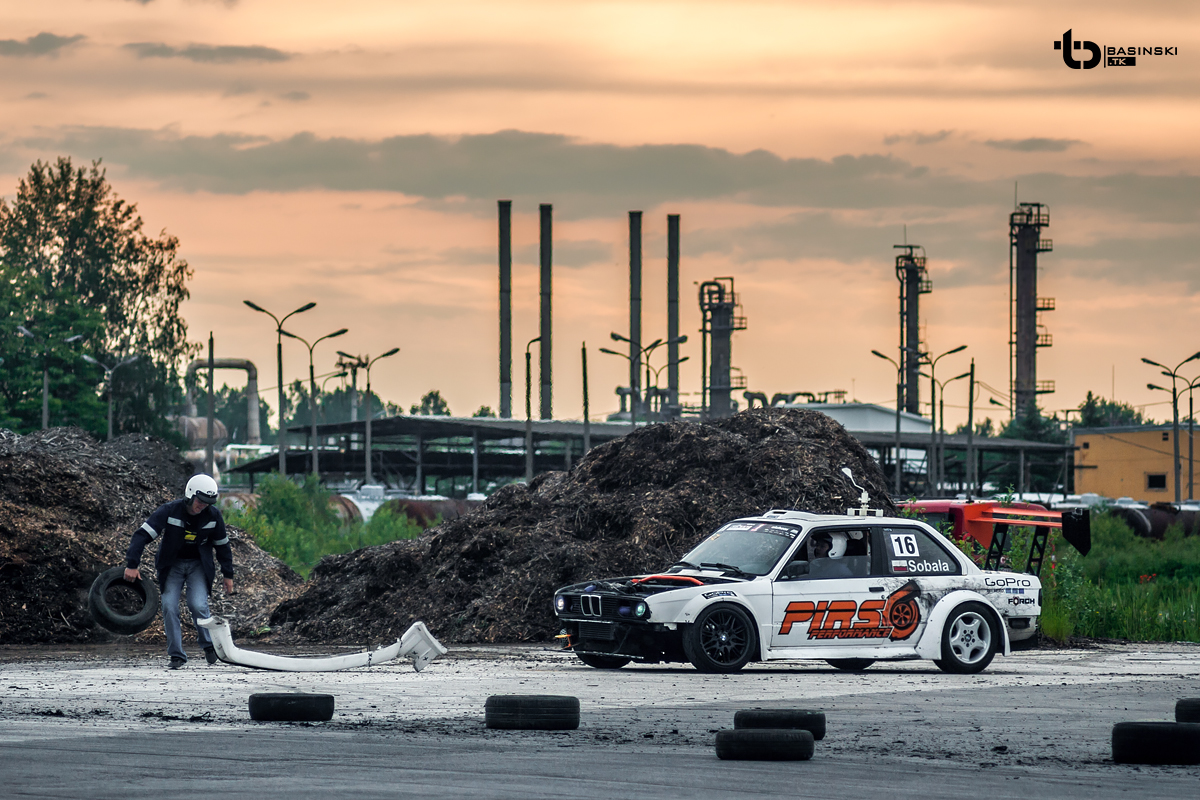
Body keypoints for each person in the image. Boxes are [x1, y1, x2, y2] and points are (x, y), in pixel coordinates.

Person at [124, 474, 234, 669]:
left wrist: (228, 575)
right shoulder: (169, 511)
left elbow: (223, 546)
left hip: (198, 566)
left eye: (208, 503)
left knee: (198, 605)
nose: (202, 506)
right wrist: (132, 564)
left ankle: (208, 645)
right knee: (169, 606)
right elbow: (141, 535)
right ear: (190, 495)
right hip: (172, 566)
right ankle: (177, 655)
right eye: (200, 501)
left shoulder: (213, 515)